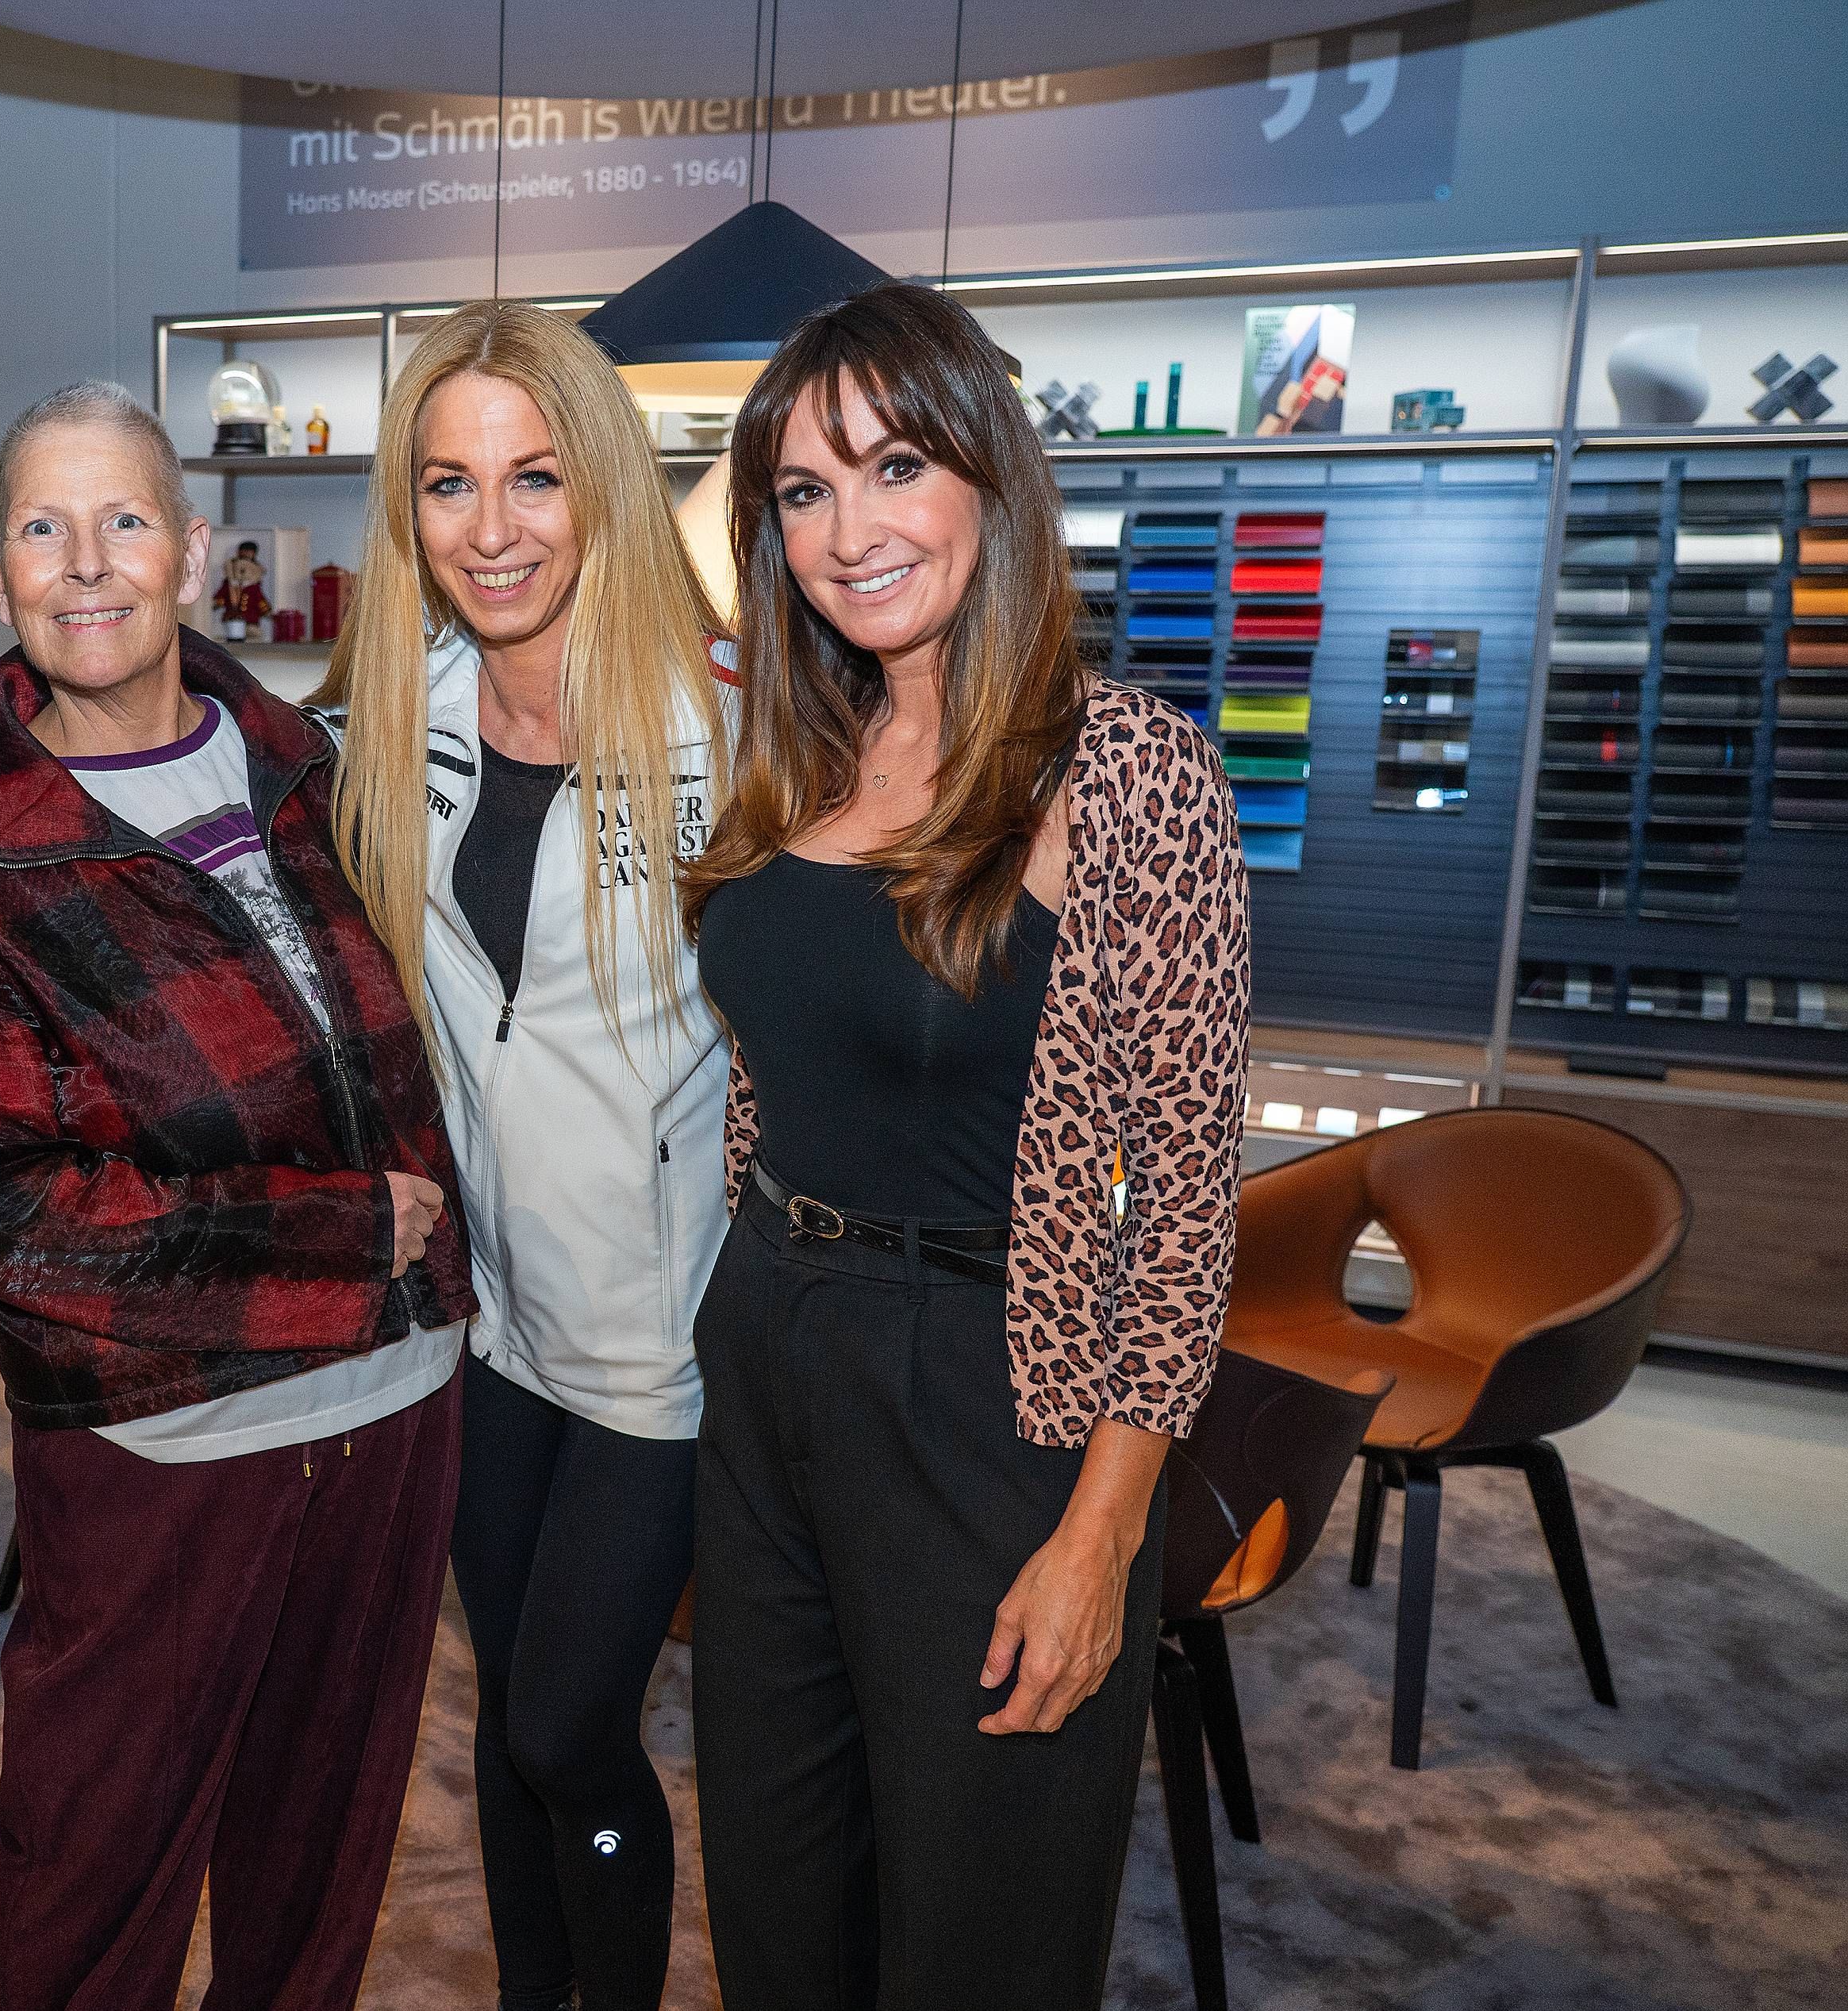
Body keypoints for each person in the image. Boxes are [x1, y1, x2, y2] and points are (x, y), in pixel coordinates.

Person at [678, 281, 1251, 2010]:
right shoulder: (803, 748)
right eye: (799, 490)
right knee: (778, 1895)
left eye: (892, 467)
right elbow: (775, 1073)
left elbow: (1189, 1204)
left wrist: (1103, 1538)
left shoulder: (1128, 769)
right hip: (771, 1343)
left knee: (978, 1921)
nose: (847, 532)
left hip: (991, 1392)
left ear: (991, 482)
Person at [0, 381, 476, 2011]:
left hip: (400, 1408)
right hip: (165, 1448)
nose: (85, 563)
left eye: (122, 520)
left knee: (318, 1884)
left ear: (191, 547)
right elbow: (21, 1227)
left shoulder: (325, 773)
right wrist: (342, 1228)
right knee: (87, 1892)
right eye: (43, 526)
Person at [315, 299, 732, 2011]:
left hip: (658, 1350)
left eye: (534, 477)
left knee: (572, 1723)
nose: (490, 529)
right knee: (506, 1727)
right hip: (481, 1333)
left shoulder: (732, 741)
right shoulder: (375, 737)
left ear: (604, 488)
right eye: (447, 483)